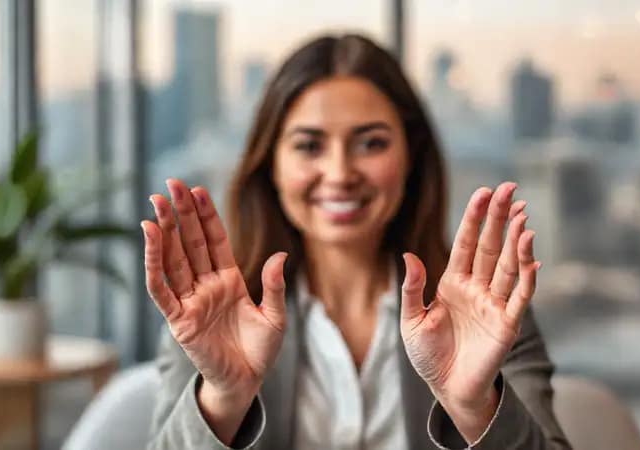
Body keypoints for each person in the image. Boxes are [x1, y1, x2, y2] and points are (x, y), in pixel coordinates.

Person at [141, 34, 571, 450]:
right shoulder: (216, 316)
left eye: (371, 143)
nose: (340, 172)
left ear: (411, 158)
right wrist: (224, 400)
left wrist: (477, 407)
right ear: (272, 164)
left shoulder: (482, 314)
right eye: (309, 146)